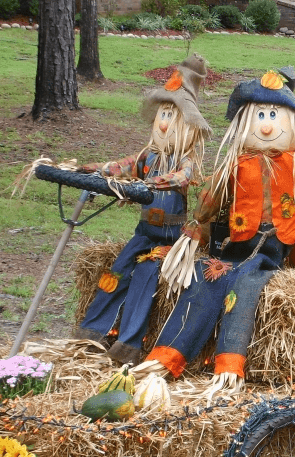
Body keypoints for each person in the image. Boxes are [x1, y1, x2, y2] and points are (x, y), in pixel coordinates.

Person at [130, 67, 295, 400]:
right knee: (206, 277)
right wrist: (197, 225)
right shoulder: (236, 164)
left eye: (273, 116)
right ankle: (168, 356)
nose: (267, 126)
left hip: (272, 248)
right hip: (237, 244)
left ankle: (228, 365)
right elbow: (211, 197)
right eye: (260, 116)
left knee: (246, 286)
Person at [72, 54, 212, 365]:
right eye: (163, 114)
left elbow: (182, 178)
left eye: (171, 116)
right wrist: (90, 169)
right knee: (117, 270)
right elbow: (121, 166)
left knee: (145, 277)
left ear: (186, 126)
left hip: (169, 237)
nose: (163, 123)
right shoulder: (147, 157)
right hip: (143, 232)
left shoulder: (184, 160)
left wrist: (150, 185)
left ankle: (128, 345)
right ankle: (92, 333)